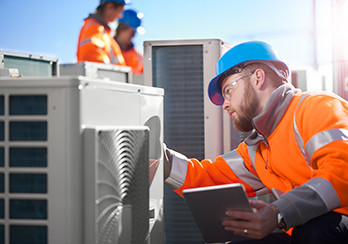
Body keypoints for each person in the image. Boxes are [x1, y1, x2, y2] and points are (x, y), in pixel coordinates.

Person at [163, 40, 348, 243]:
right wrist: (161, 161)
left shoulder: (317, 107)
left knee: (317, 231)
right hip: (303, 232)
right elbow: (209, 178)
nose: (225, 105)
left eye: (228, 91)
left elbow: (341, 174)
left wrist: (279, 213)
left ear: (258, 78)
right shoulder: (259, 146)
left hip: (332, 227)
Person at [77, 0, 127, 66]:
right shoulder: (94, 28)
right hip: (101, 75)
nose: (120, 16)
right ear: (110, 6)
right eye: (120, 11)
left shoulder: (104, 32)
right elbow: (92, 58)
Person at [114, 9, 143, 74]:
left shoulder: (139, 57)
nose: (133, 36)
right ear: (121, 29)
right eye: (132, 32)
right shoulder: (106, 48)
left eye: (135, 33)